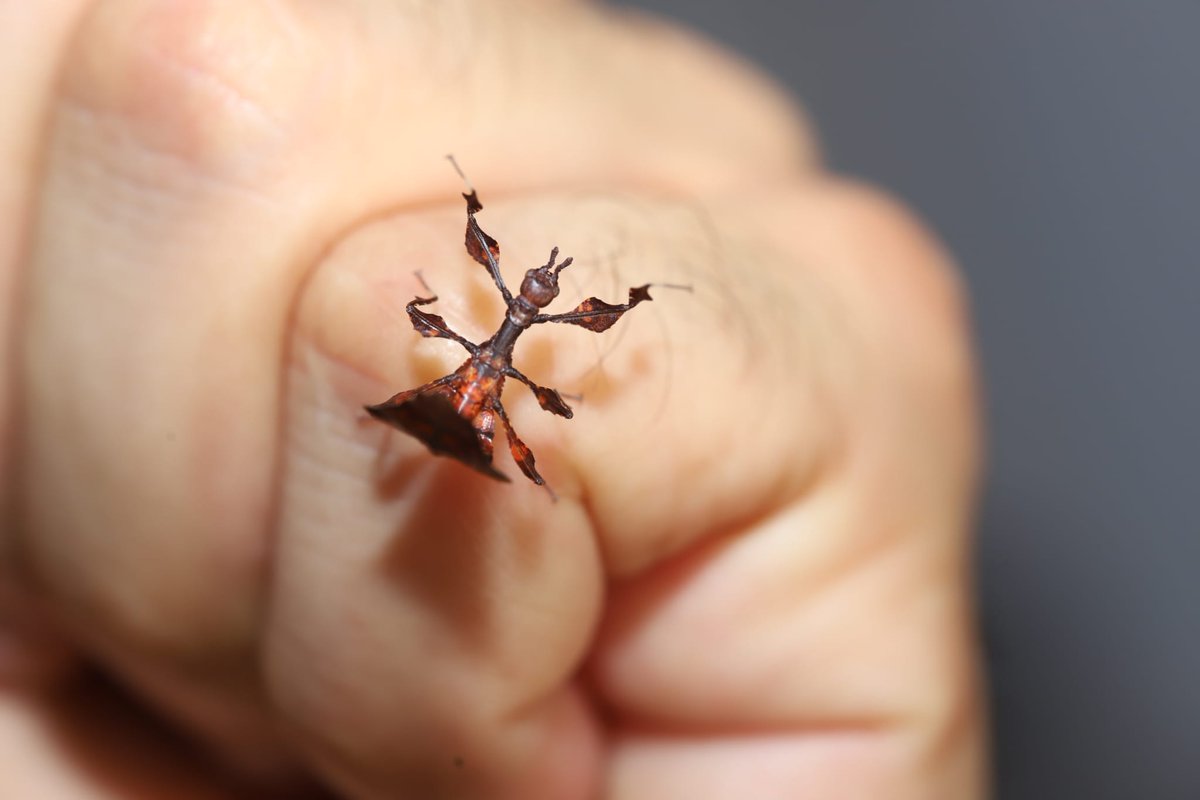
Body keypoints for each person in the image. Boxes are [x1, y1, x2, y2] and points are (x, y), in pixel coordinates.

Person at [0, 1, 986, 797]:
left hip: (463, 404)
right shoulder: (502, 334)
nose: (535, 291)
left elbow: (493, 334)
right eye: (537, 288)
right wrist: (481, 213)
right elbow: (481, 310)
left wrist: (617, 292)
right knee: (459, 384)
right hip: (465, 400)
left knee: (467, 396)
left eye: (541, 292)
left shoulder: (506, 338)